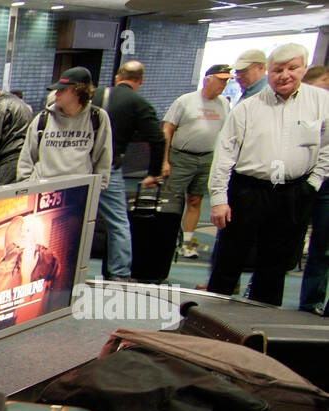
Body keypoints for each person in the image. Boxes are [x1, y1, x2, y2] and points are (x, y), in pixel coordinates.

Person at [207, 44, 328, 308]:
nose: (285, 75)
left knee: (275, 265)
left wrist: (313, 183)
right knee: (229, 259)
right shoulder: (248, 108)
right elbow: (224, 155)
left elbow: (328, 146)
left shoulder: (322, 102)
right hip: (247, 191)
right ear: (268, 73)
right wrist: (218, 198)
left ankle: (261, 324)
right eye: (278, 70)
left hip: (294, 192)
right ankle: (211, 319)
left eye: (292, 68)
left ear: (303, 69)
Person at [88, 61, 165, 281]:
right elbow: (157, 138)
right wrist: (154, 172)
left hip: (80, 167)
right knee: (118, 223)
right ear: (140, 81)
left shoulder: (94, 95)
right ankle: (119, 274)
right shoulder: (139, 103)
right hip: (109, 170)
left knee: (75, 217)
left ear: (117, 77)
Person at [162, 64, 232, 260]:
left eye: (226, 80)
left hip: (207, 158)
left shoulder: (224, 104)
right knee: (173, 202)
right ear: (207, 79)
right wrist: (164, 161)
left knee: (195, 200)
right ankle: (166, 242)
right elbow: (167, 130)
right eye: (220, 79)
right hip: (181, 157)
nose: (223, 84)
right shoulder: (185, 101)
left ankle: (187, 244)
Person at [16, 68, 113, 195]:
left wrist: (97, 191)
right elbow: (26, 158)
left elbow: (103, 157)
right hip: (41, 192)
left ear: (79, 91)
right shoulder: (43, 119)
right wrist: (25, 188)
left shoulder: (97, 118)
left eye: (62, 90)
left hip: (78, 194)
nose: (56, 94)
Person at [298, 65, 329, 315]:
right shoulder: (298, 109)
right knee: (280, 238)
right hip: (300, 180)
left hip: (326, 183)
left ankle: (313, 301)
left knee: (323, 246)